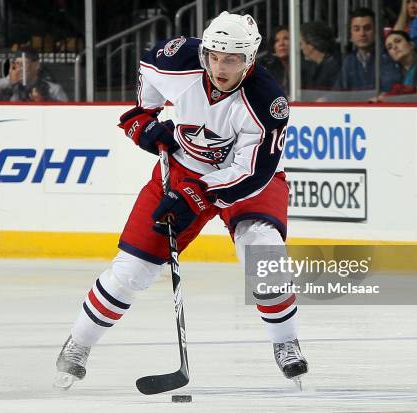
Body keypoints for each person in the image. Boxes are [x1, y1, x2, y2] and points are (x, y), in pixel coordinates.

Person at [53, 11, 308, 390]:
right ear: (204, 52)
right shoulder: (174, 60)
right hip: (183, 168)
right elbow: (145, 97)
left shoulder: (267, 101)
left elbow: (253, 172)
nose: (220, 67)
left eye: (232, 59)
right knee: (130, 272)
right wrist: (144, 123)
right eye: (214, 56)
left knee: (264, 252)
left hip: (247, 177)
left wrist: (199, 195)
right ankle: (78, 345)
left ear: (250, 59)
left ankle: (285, 340)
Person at [334, 8, 400, 92]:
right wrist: (326, 99)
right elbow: (337, 91)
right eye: (357, 29)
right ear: (351, 34)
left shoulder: (387, 57)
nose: (362, 34)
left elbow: (390, 90)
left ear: (375, 31)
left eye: (367, 28)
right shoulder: (349, 61)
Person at [0, 46, 68, 102]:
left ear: (36, 65)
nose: (19, 69)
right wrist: (8, 81)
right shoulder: (4, 84)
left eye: (23, 64)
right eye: (16, 64)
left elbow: (66, 114)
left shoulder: (53, 90)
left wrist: (44, 101)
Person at [299, 21, 341, 90]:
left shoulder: (334, 66)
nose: (300, 48)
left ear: (311, 44)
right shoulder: (313, 67)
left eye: (301, 43)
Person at [259, 26, 290, 94]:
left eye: (286, 39)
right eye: (276, 41)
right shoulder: (267, 67)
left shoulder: (305, 67)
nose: (281, 44)